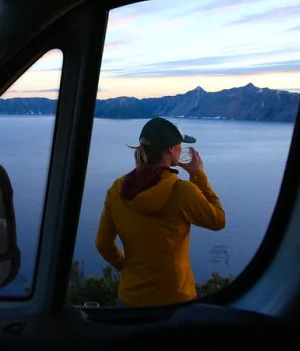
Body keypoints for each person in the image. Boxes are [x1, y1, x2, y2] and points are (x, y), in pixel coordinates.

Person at [95, 117, 225, 307]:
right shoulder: (181, 191)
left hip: (130, 298)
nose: (181, 149)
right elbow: (218, 220)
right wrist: (198, 175)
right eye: (179, 145)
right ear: (171, 149)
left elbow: (102, 243)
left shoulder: (117, 189)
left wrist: (126, 267)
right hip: (174, 300)